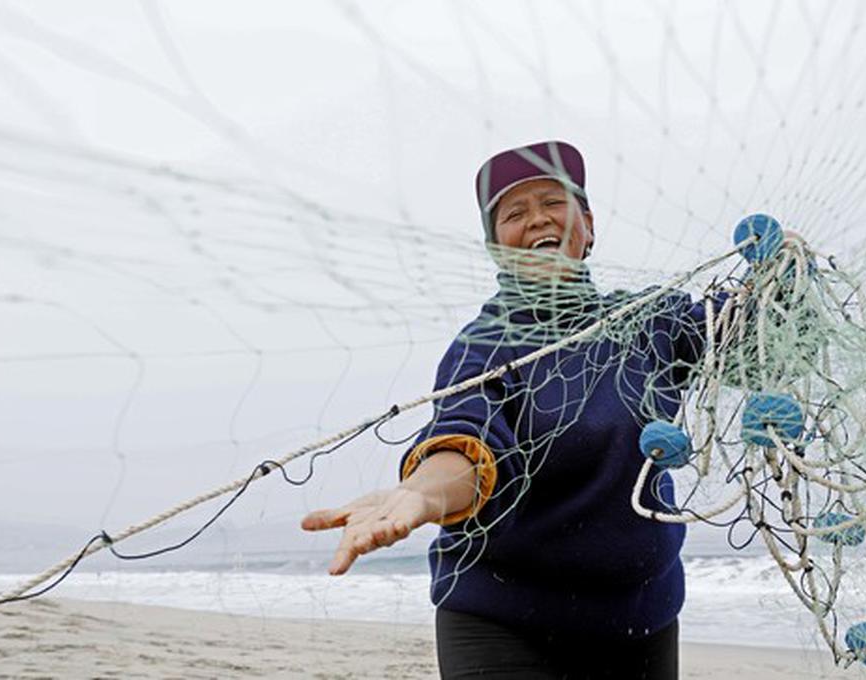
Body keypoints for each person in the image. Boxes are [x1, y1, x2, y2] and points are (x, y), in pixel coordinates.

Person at [302, 141, 719, 679]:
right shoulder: (483, 347)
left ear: (587, 226)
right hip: (501, 616)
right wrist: (420, 495)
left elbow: (742, 334)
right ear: (497, 246)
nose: (537, 220)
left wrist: (782, 285)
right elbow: (464, 442)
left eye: (553, 202)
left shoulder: (647, 322)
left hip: (643, 617)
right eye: (514, 213)